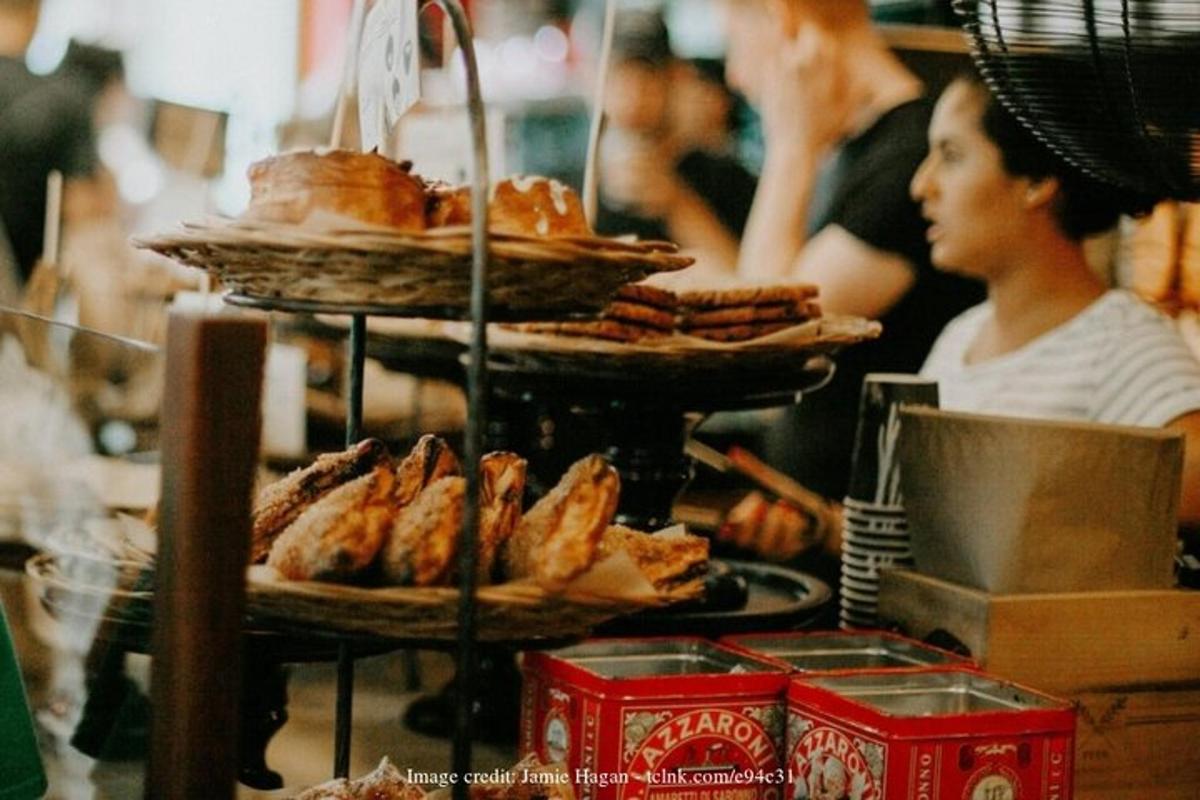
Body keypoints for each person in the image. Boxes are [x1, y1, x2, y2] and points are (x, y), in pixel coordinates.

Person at [722, 0, 985, 500]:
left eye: (734, 39)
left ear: (785, 23)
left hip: (865, 530)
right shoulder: (858, 149)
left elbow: (766, 334)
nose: (734, 74)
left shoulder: (907, 160)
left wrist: (790, 147)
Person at [913, 74, 1200, 525]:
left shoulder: (1128, 349)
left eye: (951, 155)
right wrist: (818, 526)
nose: (921, 185)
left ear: (1037, 181)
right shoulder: (958, 339)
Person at [596, 10, 756, 272]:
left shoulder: (726, 179)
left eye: (647, 77)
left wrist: (675, 203)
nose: (634, 95)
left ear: (674, 77)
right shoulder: (577, 185)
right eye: (620, 77)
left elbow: (755, 280)